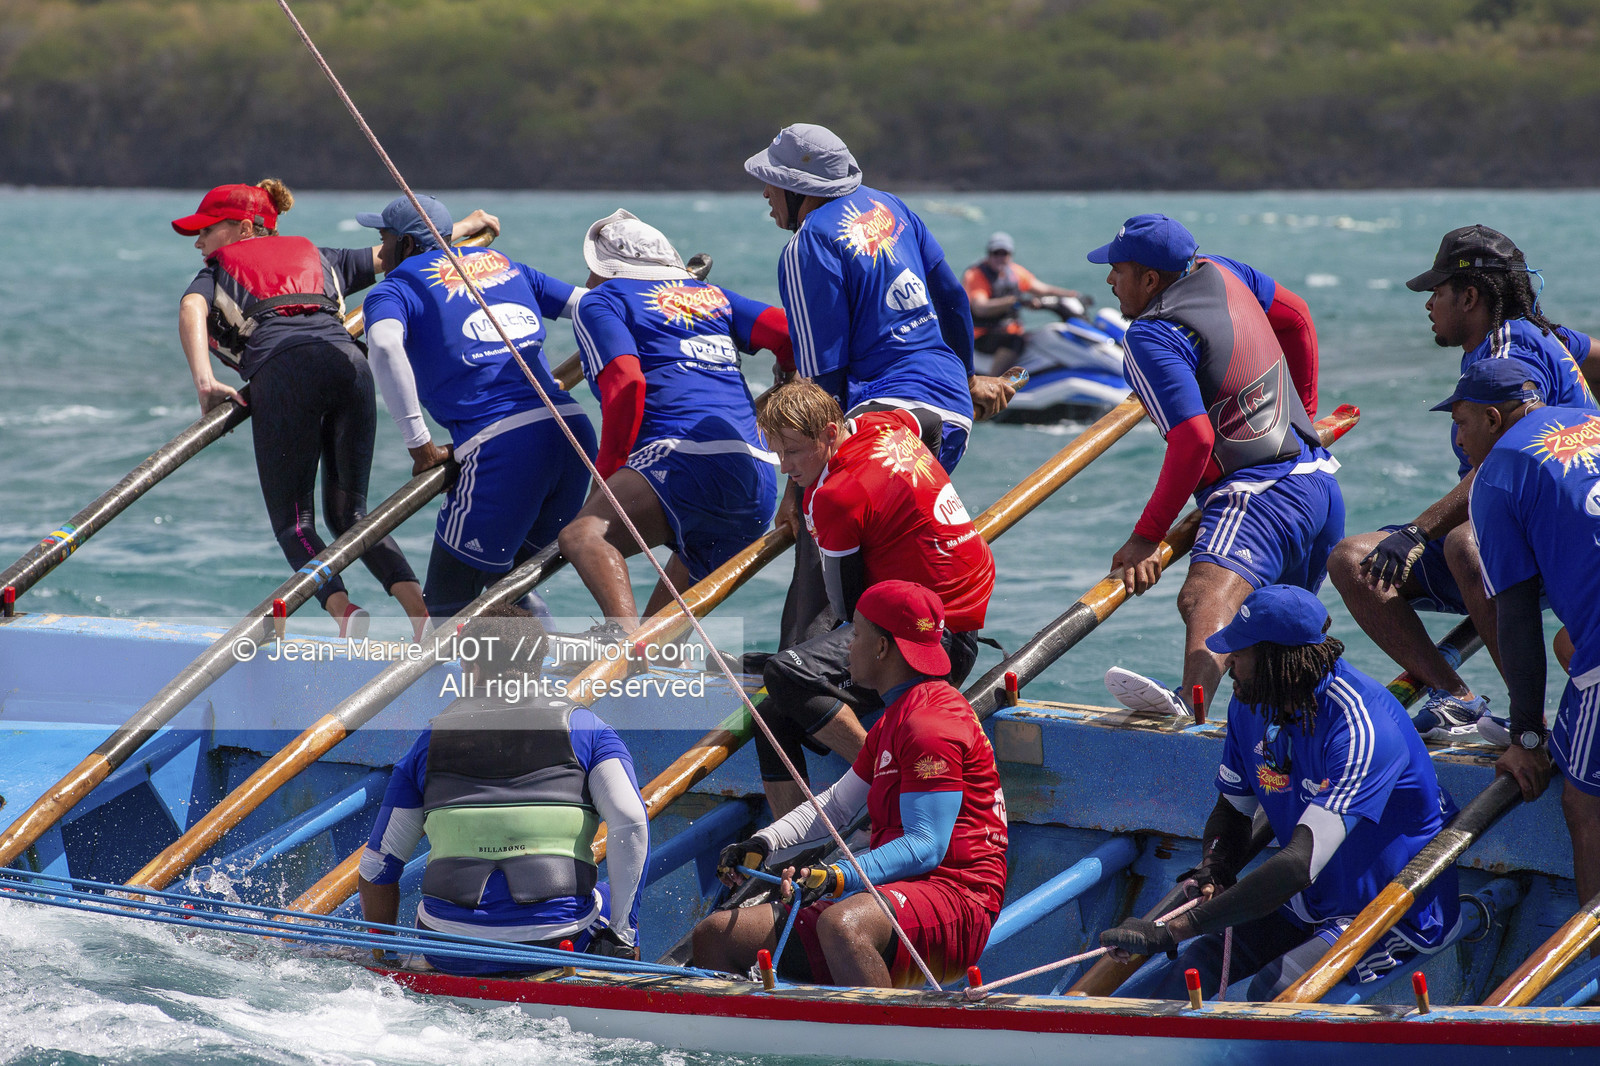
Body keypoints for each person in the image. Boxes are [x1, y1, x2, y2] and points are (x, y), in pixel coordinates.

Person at [1101, 585, 1460, 1001]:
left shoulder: (1362, 728)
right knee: (1193, 967)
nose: (1228, 662)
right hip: (1310, 897)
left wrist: (1176, 927)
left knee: (1270, 989)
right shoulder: (1251, 702)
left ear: (1277, 660)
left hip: (1391, 910)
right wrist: (1214, 867)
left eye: (1240, 652)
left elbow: (1296, 866)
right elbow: (1233, 811)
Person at [744, 123, 1016, 663]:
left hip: (890, 410)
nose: (766, 197)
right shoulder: (891, 207)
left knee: (828, 514)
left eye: (771, 185)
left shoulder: (807, 246)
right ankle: (907, 656)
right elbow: (953, 299)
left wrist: (801, 489)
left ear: (799, 190)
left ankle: (803, 669)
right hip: (949, 413)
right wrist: (964, 379)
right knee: (883, 541)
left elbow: (822, 382)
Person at [173, 180, 494, 637]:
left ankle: (344, 611)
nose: (199, 242)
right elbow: (400, 252)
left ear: (246, 229)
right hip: (351, 367)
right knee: (351, 515)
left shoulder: (214, 272)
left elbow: (191, 310)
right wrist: (466, 226)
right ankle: (421, 616)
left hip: (285, 375)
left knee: (294, 524)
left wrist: (205, 384)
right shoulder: (320, 255)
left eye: (206, 230)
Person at [1326, 225, 1597, 742]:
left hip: (1551, 545)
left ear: (1469, 295)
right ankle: (1458, 700)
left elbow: (1510, 463)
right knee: (1352, 561)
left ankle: (1528, 726)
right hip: (1536, 534)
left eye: (1437, 291)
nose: (1428, 304)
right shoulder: (1545, 334)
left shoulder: (1504, 359)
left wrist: (1416, 531)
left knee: (1463, 542)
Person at [690, 580, 1008, 989]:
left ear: (882, 649)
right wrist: (763, 844)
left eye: (856, 635)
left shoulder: (931, 725)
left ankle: (888, 1043)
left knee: (843, 924)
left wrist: (840, 876)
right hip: (895, 894)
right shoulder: (896, 718)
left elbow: (927, 845)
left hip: (959, 902)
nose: (847, 648)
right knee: (716, 935)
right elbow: (837, 807)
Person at [1088, 214, 1344, 719]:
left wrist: (1147, 536)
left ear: (1150, 280)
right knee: (1276, 649)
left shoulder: (1151, 335)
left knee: (1204, 596)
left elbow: (1193, 440)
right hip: (1318, 483)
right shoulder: (1226, 270)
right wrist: (1305, 413)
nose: (1109, 281)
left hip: (1257, 494)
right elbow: (1297, 318)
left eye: (1117, 270)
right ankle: (1290, 749)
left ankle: (1190, 709)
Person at [358, 604, 649, 972]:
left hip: (449, 951)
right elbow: (631, 823)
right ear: (537, 664)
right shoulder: (591, 730)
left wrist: (386, 959)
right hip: (555, 945)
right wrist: (624, 934)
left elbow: (376, 868)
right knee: (612, 903)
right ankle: (622, 964)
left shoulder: (428, 744)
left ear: (473, 668)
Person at [749, 382, 995, 817]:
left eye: (793, 452)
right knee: (771, 716)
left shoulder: (836, 497)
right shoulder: (883, 421)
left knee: (785, 673)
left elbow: (847, 613)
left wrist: (804, 657)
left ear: (828, 433)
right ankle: (793, 842)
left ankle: (891, 778)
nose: (784, 467)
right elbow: (933, 423)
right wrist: (909, 505)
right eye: (777, 453)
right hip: (954, 619)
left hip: (930, 645)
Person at [359, 194, 596, 621]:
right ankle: (529, 682)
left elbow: (383, 343)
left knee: (450, 605)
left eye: (384, 239)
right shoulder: (506, 265)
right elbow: (593, 305)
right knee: (504, 588)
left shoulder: (395, 287)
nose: (381, 252)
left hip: (503, 450)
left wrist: (421, 447)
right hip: (574, 434)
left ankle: (470, 687)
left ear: (408, 245)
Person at [558, 210, 786, 633]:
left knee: (582, 538)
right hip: (758, 475)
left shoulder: (602, 301)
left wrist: (606, 475)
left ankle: (622, 643)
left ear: (608, 271)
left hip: (683, 458)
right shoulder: (713, 295)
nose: (588, 283)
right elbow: (788, 333)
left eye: (593, 272)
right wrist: (785, 377)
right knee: (665, 623)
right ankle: (645, 662)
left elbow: (626, 383)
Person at [1451, 358, 1600, 917]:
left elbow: (1515, 618)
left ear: (1493, 418)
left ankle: (1590, 969)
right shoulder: (1591, 419)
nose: (1459, 440)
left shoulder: (1498, 474)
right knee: (1571, 644)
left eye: (1462, 424)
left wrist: (1529, 739)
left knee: (1584, 803)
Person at [962, 231, 1083, 373]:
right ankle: (994, 384)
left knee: (1038, 339)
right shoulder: (977, 275)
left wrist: (1072, 295)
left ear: (1010, 255)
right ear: (989, 254)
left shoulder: (1015, 272)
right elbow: (980, 307)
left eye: (1004, 254)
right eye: (996, 253)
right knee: (1014, 341)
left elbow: (1043, 289)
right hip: (983, 335)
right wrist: (1013, 301)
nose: (1000, 258)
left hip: (1008, 330)